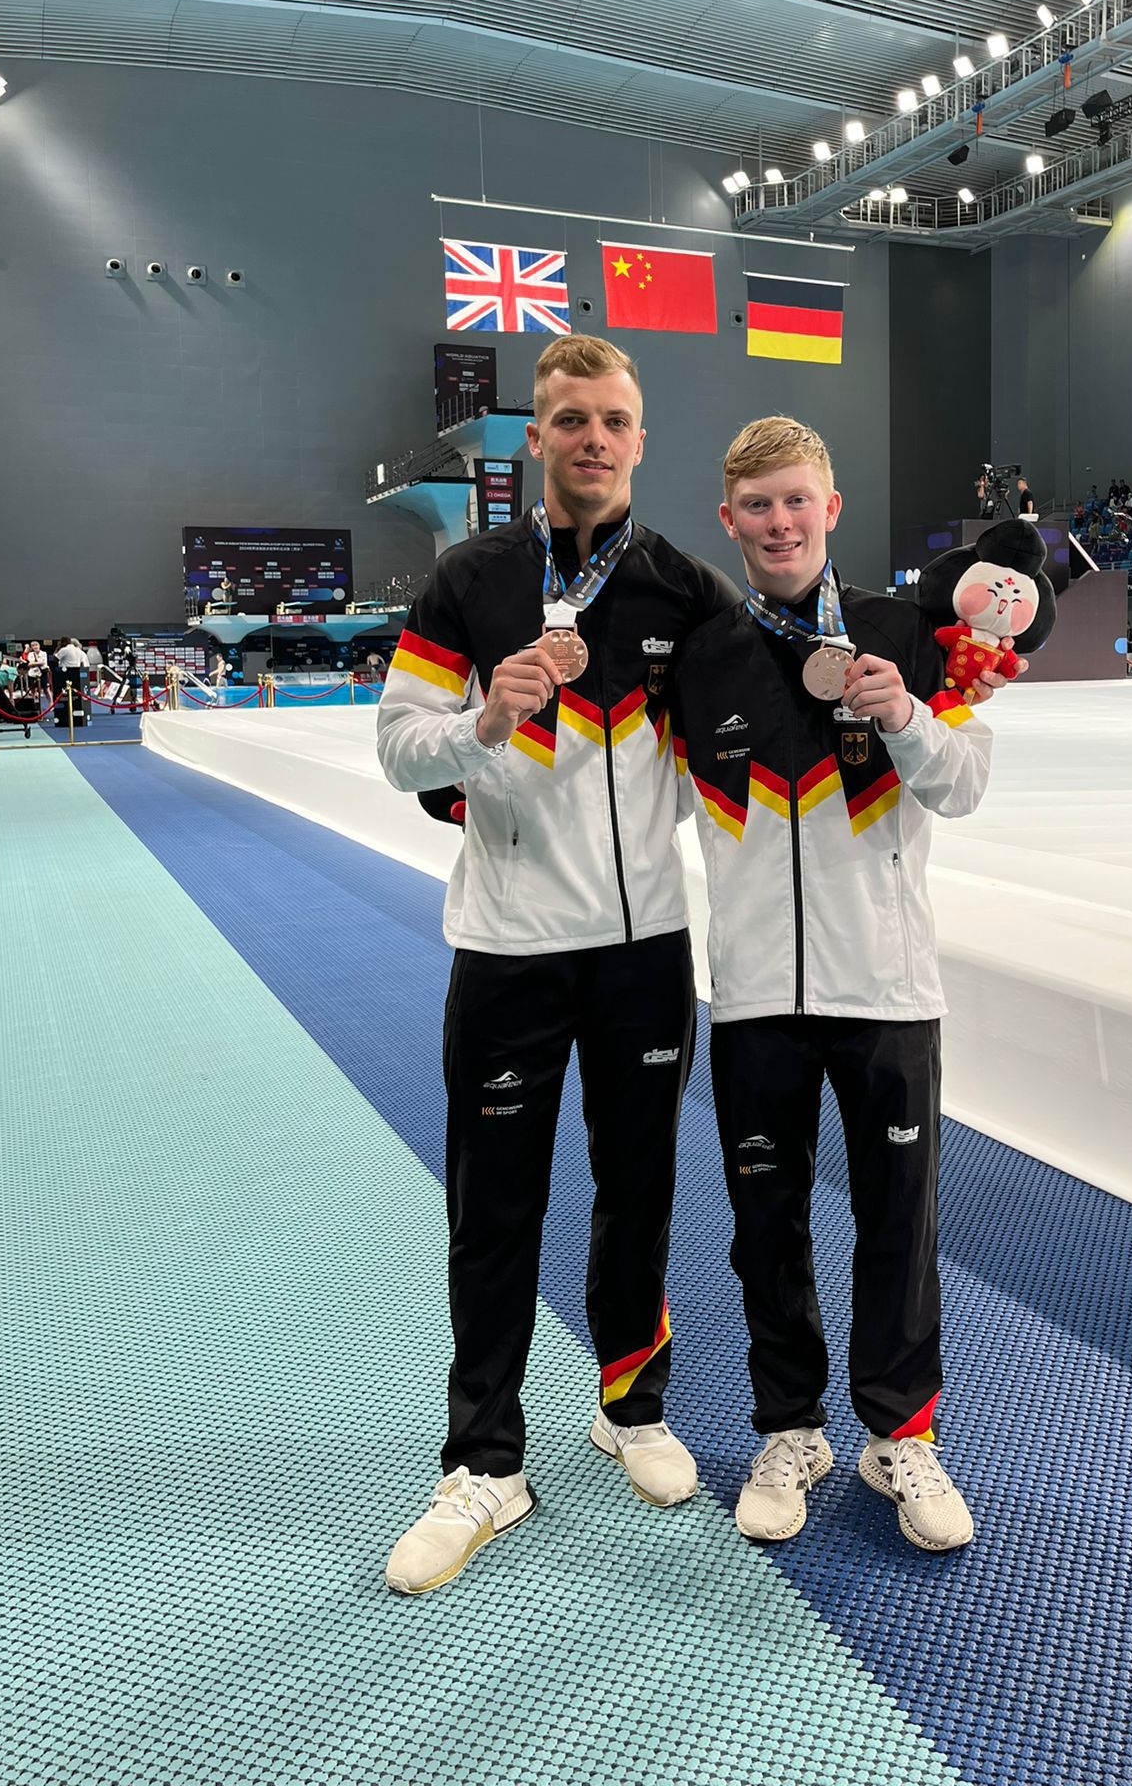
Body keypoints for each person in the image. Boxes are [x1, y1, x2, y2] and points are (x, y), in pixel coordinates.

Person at [374, 334, 737, 1597]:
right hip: (510, 948)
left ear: (642, 440)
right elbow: (399, 750)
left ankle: (630, 1406)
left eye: (614, 420)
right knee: (496, 1207)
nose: (592, 438)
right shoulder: (467, 579)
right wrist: (485, 720)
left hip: (642, 955)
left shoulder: (688, 590)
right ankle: (484, 1459)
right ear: (537, 436)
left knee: (638, 1189)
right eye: (570, 417)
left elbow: (743, 750)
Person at [670, 416, 1000, 1554]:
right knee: (767, 1225)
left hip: (889, 990)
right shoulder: (702, 654)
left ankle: (900, 1430)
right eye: (756, 505)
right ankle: (791, 1426)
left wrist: (902, 711)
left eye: (795, 499)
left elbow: (961, 786)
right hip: (757, 992)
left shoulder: (908, 632)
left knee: (897, 1222)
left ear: (832, 505)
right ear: (729, 518)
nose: (777, 521)